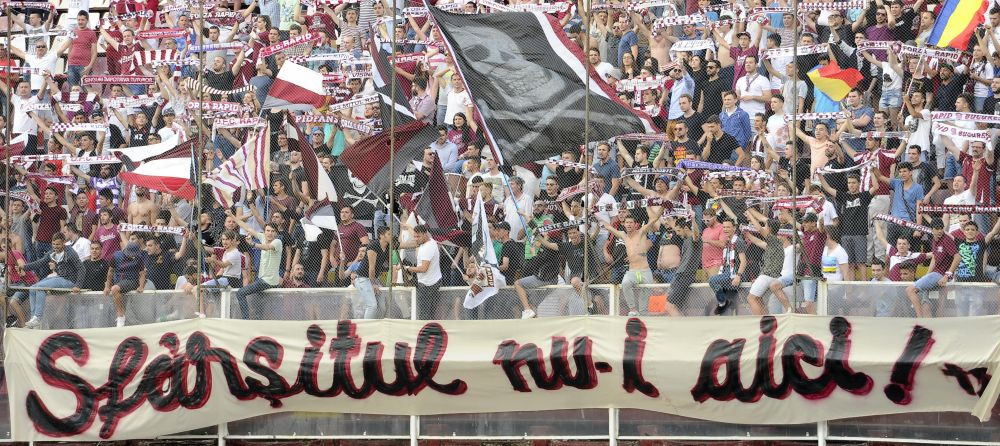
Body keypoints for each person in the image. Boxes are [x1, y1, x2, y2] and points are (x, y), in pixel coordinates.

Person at [604, 209, 668, 316]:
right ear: (624, 224)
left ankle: (643, 313)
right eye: (627, 222)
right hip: (632, 272)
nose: (629, 224)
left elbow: (654, 219)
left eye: (631, 222)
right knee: (625, 283)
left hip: (645, 271)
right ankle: (633, 309)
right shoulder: (623, 235)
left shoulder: (641, 232)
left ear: (635, 224)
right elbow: (608, 226)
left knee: (644, 306)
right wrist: (593, 212)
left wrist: (663, 206)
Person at [22, 232, 81, 329]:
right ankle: (33, 319)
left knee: (41, 287)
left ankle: (38, 317)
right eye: (53, 244)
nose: (55, 246)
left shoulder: (70, 252)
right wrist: (24, 267)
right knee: (32, 288)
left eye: (58, 244)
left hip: (69, 281)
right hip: (60, 277)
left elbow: (81, 268)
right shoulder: (52, 252)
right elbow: (40, 262)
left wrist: (78, 285)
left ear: (63, 243)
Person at [230, 214, 283, 320]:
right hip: (261, 279)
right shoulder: (263, 237)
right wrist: (232, 216)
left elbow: (267, 247)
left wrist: (253, 244)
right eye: (268, 231)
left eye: (272, 231)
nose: (270, 233)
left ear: (276, 233)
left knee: (240, 293)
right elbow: (247, 228)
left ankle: (246, 320)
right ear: (264, 232)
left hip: (268, 281)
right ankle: (258, 321)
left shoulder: (277, 242)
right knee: (258, 306)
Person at [400, 225, 443, 320]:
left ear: (425, 234)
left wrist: (408, 268)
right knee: (429, 314)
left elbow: (423, 268)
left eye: (418, 236)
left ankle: (425, 328)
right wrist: (408, 227)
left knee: (424, 315)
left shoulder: (427, 248)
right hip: (431, 282)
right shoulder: (430, 241)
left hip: (428, 285)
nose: (416, 239)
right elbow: (415, 235)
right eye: (414, 236)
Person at [708, 217, 747, 315]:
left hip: (735, 274)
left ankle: (723, 301)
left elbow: (743, 261)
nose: (725, 229)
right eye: (724, 227)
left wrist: (738, 276)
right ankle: (726, 304)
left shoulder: (738, 241)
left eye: (728, 227)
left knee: (712, 280)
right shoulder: (727, 242)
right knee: (728, 307)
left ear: (734, 228)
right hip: (727, 273)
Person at [353, 226, 390, 320]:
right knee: (372, 306)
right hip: (363, 278)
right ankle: (366, 328)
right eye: (389, 234)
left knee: (382, 307)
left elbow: (404, 245)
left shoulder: (388, 245)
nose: (391, 236)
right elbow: (371, 267)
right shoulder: (374, 245)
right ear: (381, 235)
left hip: (373, 279)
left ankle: (377, 326)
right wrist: (373, 284)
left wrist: (409, 228)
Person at [107, 242, 146, 327]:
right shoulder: (116, 256)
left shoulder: (139, 258)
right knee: (115, 294)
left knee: (114, 289)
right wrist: (107, 286)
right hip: (118, 281)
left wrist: (141, 286)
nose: (132, 256)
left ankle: (120, 315)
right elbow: (110, 271)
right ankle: (121, 319)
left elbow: (142, 273)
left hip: (132, 281)